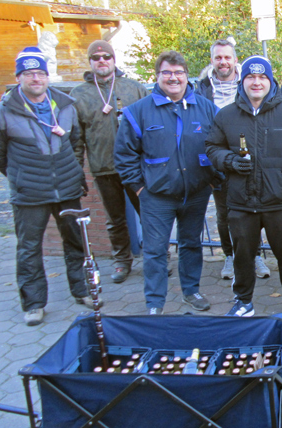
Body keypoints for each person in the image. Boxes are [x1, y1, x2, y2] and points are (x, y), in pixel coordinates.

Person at [0, 47, 95, 326]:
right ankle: (34, 303)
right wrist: (20, 175)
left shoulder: (67, 105)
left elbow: (75, 143)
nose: (36, 79)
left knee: (75, 241)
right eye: (29, 74)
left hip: (67, 188)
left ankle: (82, 290)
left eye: (40, 73)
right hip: (29, 192)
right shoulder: (0, 113)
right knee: (29, 248)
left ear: (47, 77)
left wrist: (71, 170)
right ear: (19, 77)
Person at [206, 56, 282, 327]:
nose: (256, 82)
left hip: (280, 201)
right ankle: (243, 302)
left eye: (262, 77)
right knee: (243, 255)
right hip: (241, 202)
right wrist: (229, 161)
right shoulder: (226, 115)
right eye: (250, 78)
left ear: (271, 81)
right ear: (242, 81)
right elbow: (212, 147)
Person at [115, 50, 221, 315]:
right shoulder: (138, 112)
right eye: (167, 73)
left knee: (191, 244)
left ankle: (191, 291)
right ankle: (154, 303)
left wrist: (211, 181)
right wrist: (139, 188)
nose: (173, 78)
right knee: (155, 250)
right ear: (157, 76)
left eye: (179, 73)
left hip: (196, 193)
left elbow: (221, 145)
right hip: (156, 196)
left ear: (187, 76)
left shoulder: (206, 108)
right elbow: (124, 154)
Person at [70, 40, 148, 284]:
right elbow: (76, 138)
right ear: (90, 62)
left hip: (137, 167)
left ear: (114, 60)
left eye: (106, 56)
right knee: (115, 219)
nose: (102, 60)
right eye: (96, 57)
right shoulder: (79, 94)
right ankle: (122, 261)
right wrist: (76, 172)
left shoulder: (133, 88)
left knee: (149, 213)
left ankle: (158, 257)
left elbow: (152, 127)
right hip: (103, 167)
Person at [195, 39, 272, 281]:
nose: (223, 61)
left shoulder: (249, 81)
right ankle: (230, 256)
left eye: (227, 57)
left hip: (251, 162)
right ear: (212, 61)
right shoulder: (202, 89)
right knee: (224, 214)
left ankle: (256, 255)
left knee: (253, 209)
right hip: (219, 161)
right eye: (218, 57)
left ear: (235, 60)